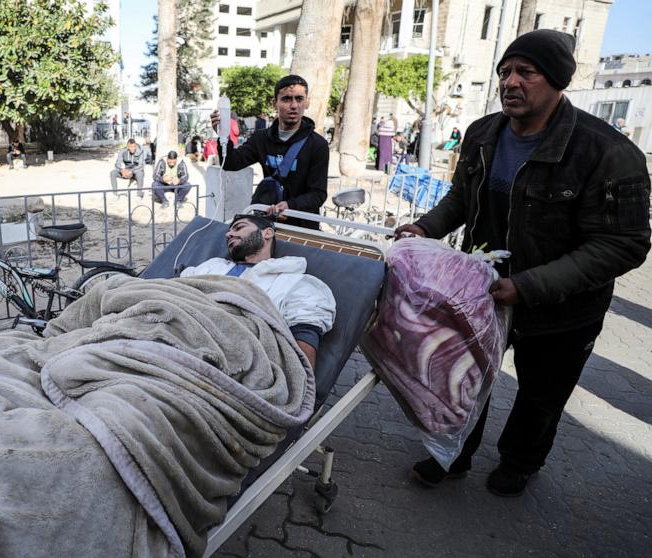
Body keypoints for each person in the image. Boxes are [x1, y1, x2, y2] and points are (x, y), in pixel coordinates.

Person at [394, 30, 651, 497]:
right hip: (482, 295)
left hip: (562, 310)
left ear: (556, 81)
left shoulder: (608, 152)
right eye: (504, 72)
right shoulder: (482, 134)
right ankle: (452, 454)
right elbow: (459, 198)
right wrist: (424, 228)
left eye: (525, 72)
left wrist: (529, 286)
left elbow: (623, 244)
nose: (510, 82)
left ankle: (520, 462)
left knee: (541, 396)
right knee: (465, 379)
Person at [181, 213, 336, 368]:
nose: (229, 234)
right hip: (181, 329)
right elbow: (175, 292)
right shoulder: (212, 266)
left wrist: (303, 383)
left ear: (267, 233)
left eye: (239, 227)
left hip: (225, 354)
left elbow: (305, 331)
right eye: (228, 233)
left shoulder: (293, 281)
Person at [210, 74, 329, 230]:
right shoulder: (261, 138)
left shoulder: (318, 145)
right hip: (266, 224)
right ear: (275, 103)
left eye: (299, 99)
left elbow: (318, 194)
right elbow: (231, 163)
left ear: (307, 102)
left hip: (301, 226)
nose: (293, 105)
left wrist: (290, 206)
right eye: (286, 99)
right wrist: (222, 135)